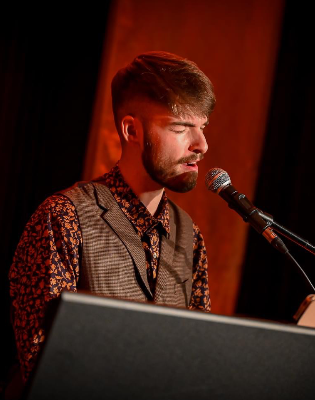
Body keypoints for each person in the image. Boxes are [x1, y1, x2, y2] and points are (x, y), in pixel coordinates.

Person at [8, 51, 216, 388]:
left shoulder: (190, 236)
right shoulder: (63, 216)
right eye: (181, 128)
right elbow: (44, 366)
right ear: (132, 130)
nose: (201, 144)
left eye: (202, 127)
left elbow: (197, 360)